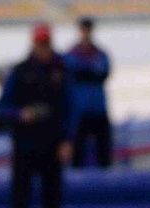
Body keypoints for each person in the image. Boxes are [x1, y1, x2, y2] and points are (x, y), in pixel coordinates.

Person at [0, 23, 72, 208]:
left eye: (47, 43)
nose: (44, 48)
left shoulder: (61, 70)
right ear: (34, 44)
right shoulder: (19, 72)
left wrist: (67, 140)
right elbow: (2, 108)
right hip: (25, 145)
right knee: (20, 198)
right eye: (41, 44)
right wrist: (20, 114)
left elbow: (69, 108)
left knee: (52, 199)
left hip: (52, 145)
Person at [65, 16, 112, 168]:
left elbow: (103, 75)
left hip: (98, 109)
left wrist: (84, 73)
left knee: (104, 152)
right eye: (83, 29)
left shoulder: (100, 54)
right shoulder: (72, 54)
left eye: (88, 29)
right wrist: (90, 73)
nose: (86, 32)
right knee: (77, 152)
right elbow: (77, 74)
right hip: (80, 111)